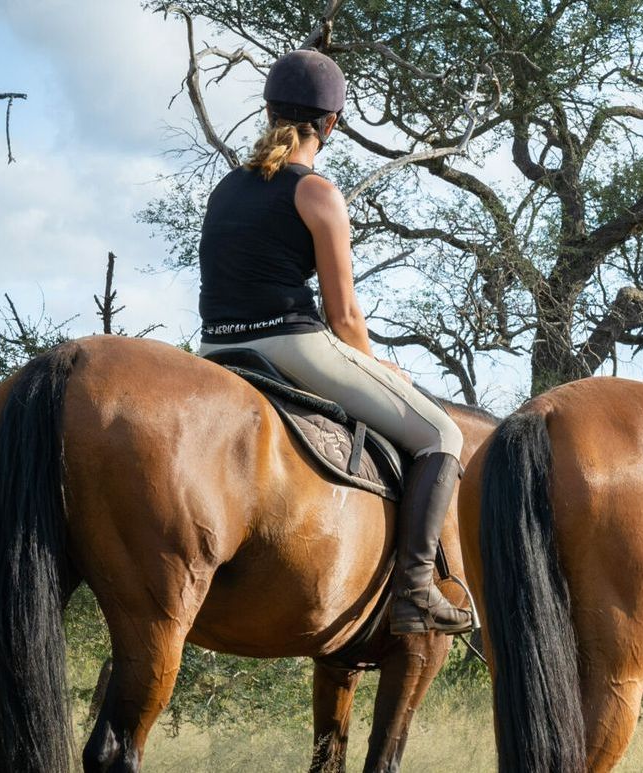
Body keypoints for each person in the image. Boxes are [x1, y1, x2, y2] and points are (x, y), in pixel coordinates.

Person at [194, 50, 472, 636]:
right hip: (291, 347)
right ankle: (416, 588)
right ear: (332, 124)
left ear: (268, 111)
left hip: (215, 352)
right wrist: (378, 370)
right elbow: (344, 317)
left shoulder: (224, 190)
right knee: (442, 433)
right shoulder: (316, 191)